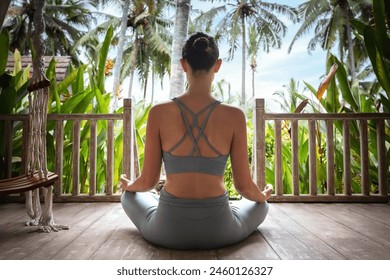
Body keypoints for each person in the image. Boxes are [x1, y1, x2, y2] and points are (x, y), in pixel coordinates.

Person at [120, 32, 272, 250]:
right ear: (217, 65)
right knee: (260, 205)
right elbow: (244, 186)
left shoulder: (158, 113)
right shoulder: (235, 116)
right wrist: (262, 195)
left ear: (183, 64)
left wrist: (129, 185)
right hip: (220, 230)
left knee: (129, 197)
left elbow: (148, 182)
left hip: (167, 231)